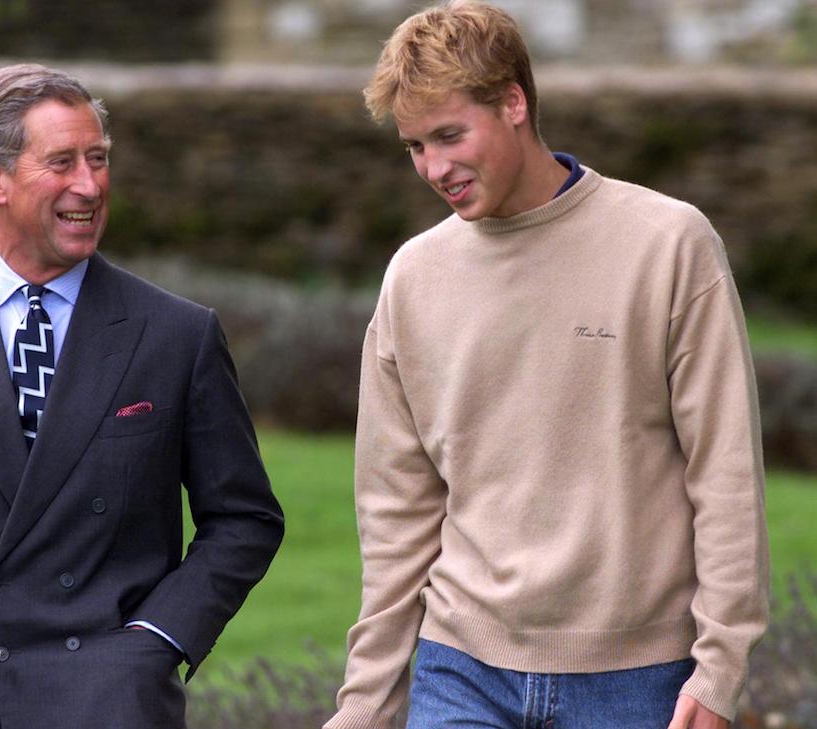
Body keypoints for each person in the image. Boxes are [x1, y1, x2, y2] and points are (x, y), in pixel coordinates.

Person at [325, 3, 768, 729]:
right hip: (459, 668)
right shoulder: (413, 276)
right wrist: (366, 701)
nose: (433, 168)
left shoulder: (666, 244)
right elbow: (394, 510)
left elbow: (723, 471)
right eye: (413, 146)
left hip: (638, 678)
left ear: (512, 103)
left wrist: (719, 665)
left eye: (448, 135)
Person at [0, 63, 284, 729]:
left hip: (113, 703)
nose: (89, 183)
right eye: (62, 161)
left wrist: (155, 640)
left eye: (98, 159)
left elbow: (244, 518)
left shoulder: (177, 336)